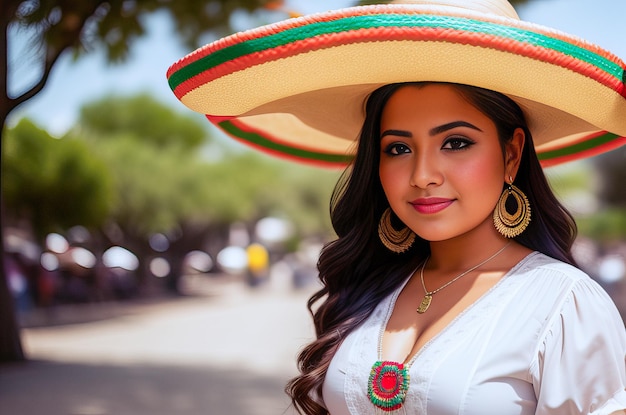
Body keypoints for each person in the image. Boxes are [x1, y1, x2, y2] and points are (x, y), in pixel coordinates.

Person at [167, 1, 626, 414]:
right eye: (398, 149)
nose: (423, 174)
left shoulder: (563, 303)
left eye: (456, 142)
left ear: (511, 154)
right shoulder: (374, 287)